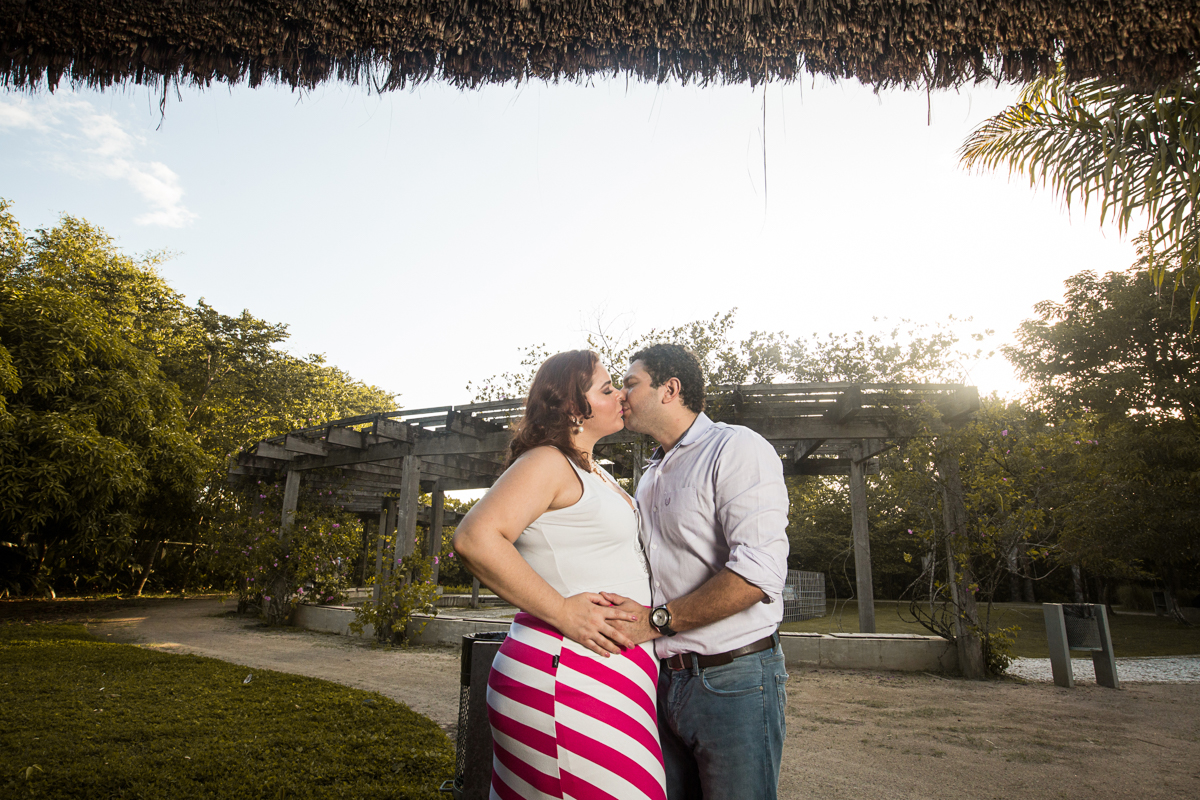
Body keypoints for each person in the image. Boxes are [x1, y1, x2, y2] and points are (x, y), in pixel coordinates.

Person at [452, 350, 667, 800]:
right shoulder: (548, 461)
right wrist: (563, 612)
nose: (621, 396)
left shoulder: (592, 469)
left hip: (603, 677)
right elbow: (475, 538)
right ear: (573, 408)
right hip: (569, 675)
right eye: (607, 389)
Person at [603, 343, 790, 800]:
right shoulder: (651, 474)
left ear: (669, 389)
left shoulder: (736, 447)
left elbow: (759, 573)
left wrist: (654, 622)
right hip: (664, 680)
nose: (621, 395)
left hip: (735, 678)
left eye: (630, 384)